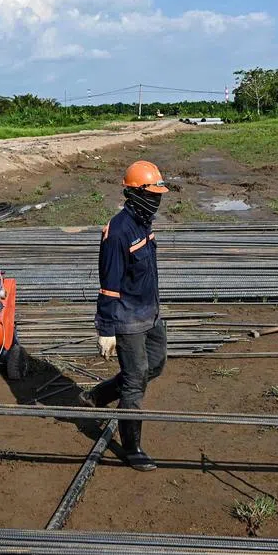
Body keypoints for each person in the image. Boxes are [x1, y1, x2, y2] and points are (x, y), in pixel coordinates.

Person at [82, 160, 170, 471]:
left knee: (155, 365)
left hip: (151, 312)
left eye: (158, 195)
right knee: (134, 383)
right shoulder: (118, 232)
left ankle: (98, 395)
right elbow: (109, 285)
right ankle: (132, 448)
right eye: (152, 194)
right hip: (127, 319)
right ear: (134, 194)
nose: (157, 200)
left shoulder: (144, 222)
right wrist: (106, 330)